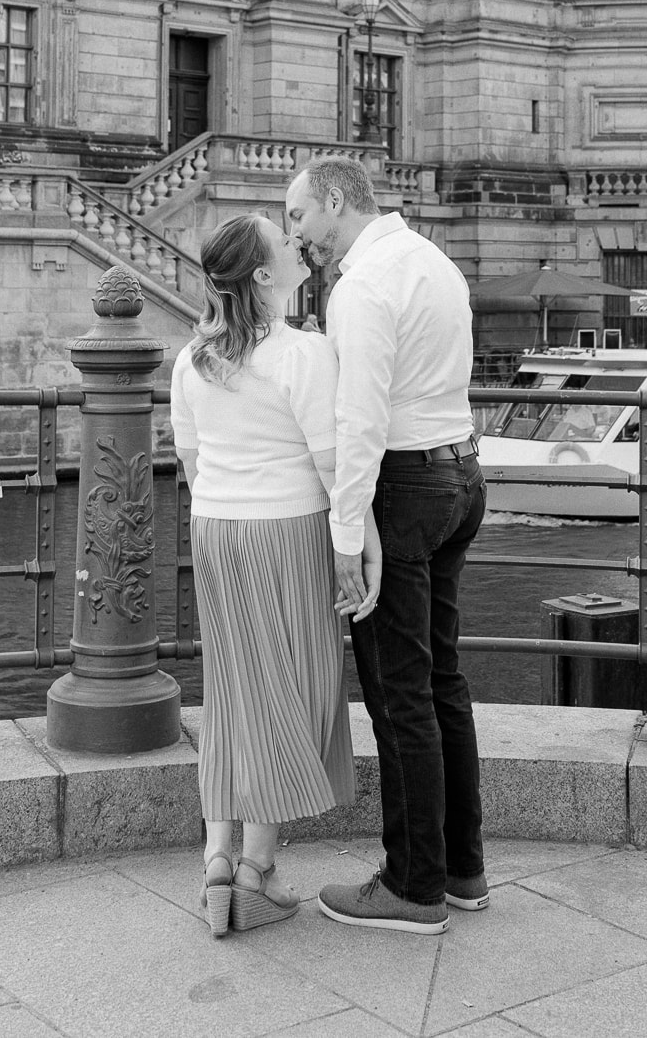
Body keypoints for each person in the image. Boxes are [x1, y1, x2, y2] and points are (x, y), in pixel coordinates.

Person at [284, 158, 488, 935]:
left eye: (299, 216)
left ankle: (412, 885)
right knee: (443, 682)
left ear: (336, 202)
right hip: (459, 475)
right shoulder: (434, 261)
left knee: (400, 694)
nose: (295, 234)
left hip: (402, 492)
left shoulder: (362, 286)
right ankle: (462, 868)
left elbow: (358, 421)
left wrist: (345, 538)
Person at [170, 213, 377, 937]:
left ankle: (216, 856)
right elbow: (331, 463)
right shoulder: (303, 353)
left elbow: (192, 465)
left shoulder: (191, 358)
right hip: (288, 530)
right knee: (291, 689)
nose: (296, 245)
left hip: (217, 530)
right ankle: (256, 869)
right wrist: (361, 541)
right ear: (263, 275)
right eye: (281, 242)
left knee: (233, 690)